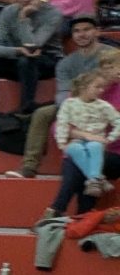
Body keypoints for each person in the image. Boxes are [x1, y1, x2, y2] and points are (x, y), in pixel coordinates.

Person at [13, 19, 118, 178]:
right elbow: (63, 91)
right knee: (42, 113)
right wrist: (74, 108)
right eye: (76, 31)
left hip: (106, 101)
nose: (81, 34)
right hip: (74, 102)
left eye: (86, 29)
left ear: (97, 31)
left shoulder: (111, 55)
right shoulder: (66, 63)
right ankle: (29, 166)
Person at [0, 0, 65, 115]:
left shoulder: (53, 13)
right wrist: (17, 51)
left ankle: (25, 113)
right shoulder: (8, 12)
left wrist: (23, 17)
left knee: (26, 61)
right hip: (18, 57)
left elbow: (33, 46)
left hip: (49, 59)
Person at [52, 71, 119, 210]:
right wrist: (62, 142)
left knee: (93, 147)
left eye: (102, 87)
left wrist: (110, 138)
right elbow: (61, 123)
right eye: (97, 87)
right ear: (83, 87)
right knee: (74, 150)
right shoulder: (70, 103)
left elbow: (118, 121)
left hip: (101, 145)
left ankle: (60, 209)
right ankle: (97, 179)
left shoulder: (103, 106)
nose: (101, 90)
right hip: (78, 143)